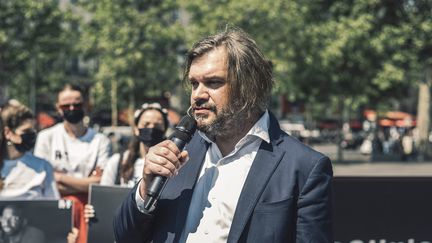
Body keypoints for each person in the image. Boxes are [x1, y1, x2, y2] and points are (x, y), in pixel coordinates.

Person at [114, 27, 333, 242]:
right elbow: (125, 235)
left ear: (249, 87)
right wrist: (145, 188)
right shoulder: (177, 150)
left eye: (213, 82)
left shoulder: (303, 166)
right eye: (194, 83)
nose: (197, 95)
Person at [34, 84, 111, 243]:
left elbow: (100, 184)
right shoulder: (46, 137)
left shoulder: (100, 141)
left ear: (86, 105)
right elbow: (41, 181)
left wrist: (59, 178)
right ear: (58, 108)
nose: (72, 108)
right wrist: (85, 182)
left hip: (88, 212)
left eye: (77, 104)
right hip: (54, 208)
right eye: (66, 105)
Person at [84, 103, 169, 222]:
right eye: (146, 124)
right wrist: (94, 211)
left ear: (164, 130)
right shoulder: (118, 162)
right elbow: (103, 199)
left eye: (157, 125)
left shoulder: (169, 165)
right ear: (136, 129)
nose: (151, 128)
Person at [0, 100, 59, 200]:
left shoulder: (43, 166)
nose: (32, 134)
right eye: (26, 131)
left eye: (33, 130)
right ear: (8, 133)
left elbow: (54, 206)